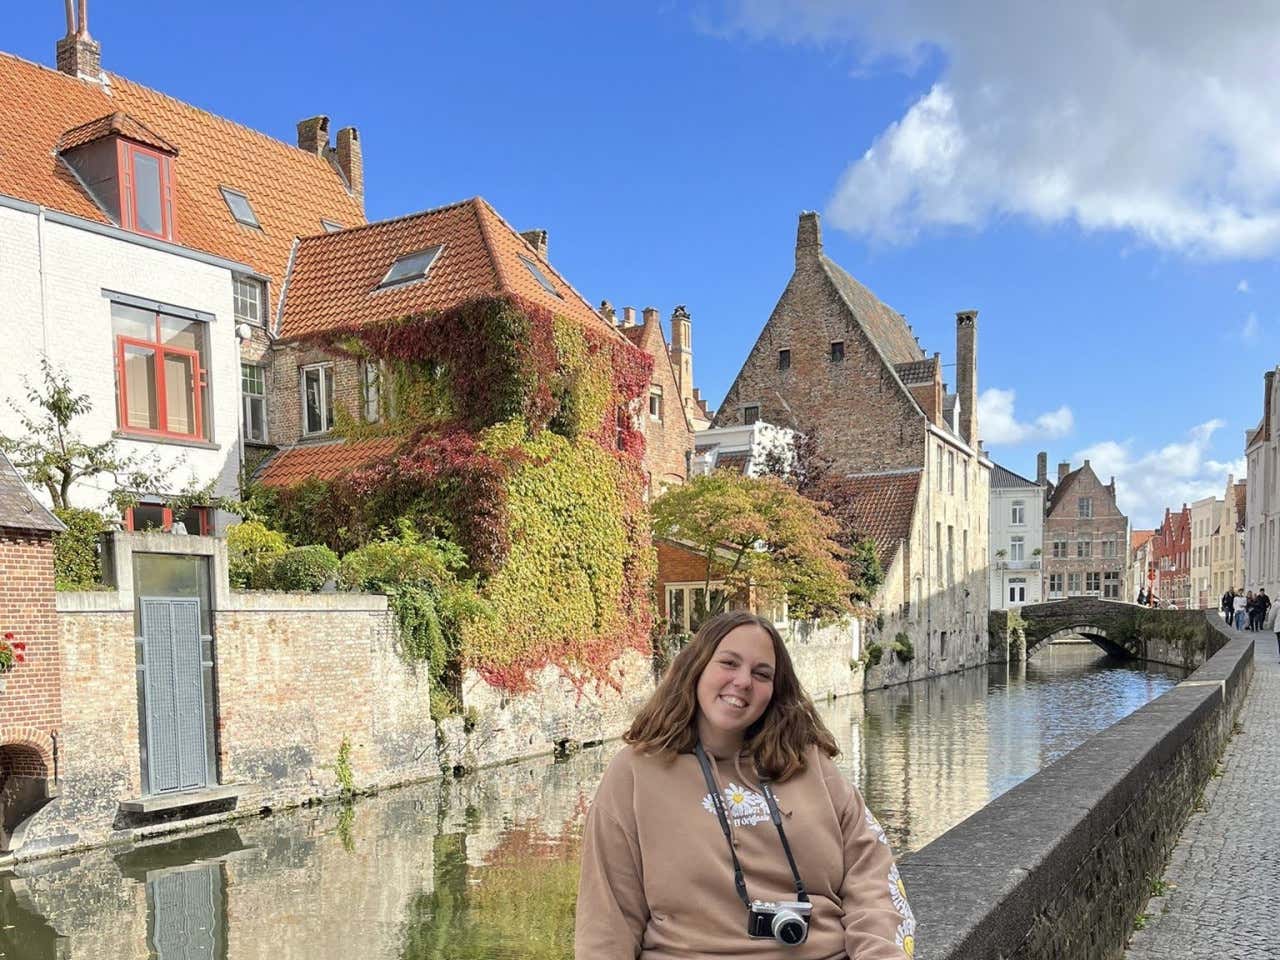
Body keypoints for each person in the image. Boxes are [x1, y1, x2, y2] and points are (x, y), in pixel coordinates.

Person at [575, 612, 914, 959]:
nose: (743, 681)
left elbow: (873, 881)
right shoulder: (636, 772)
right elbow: (607, 921)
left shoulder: (809, 762)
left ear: (775, 690)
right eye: (728, 663)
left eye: (761, 673)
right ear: (697, 667)